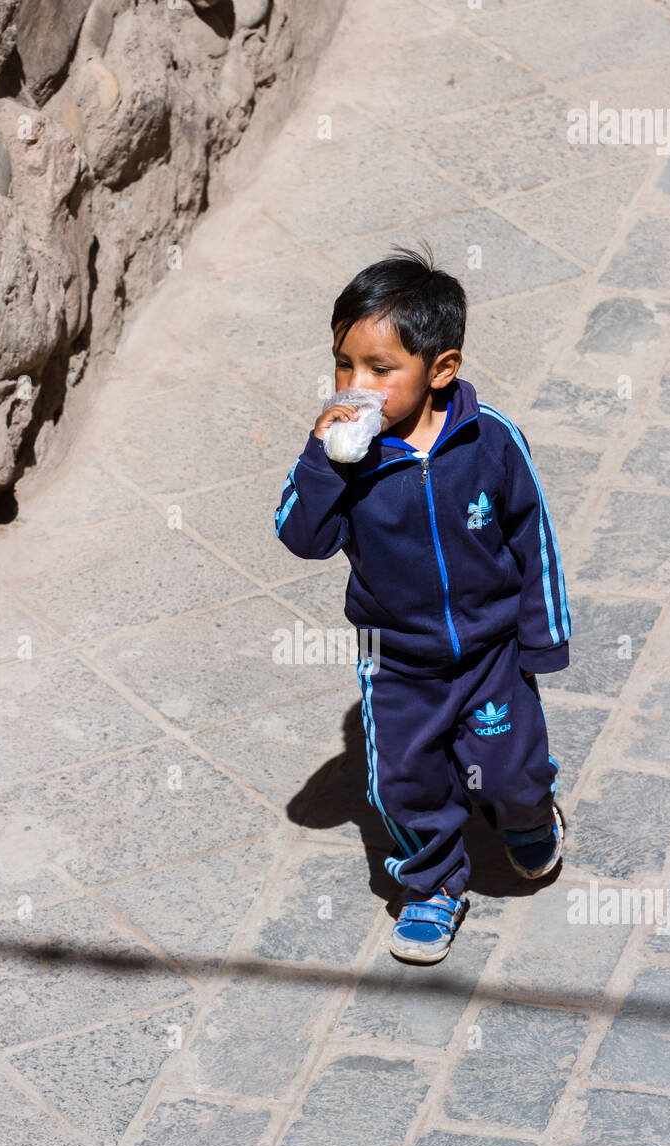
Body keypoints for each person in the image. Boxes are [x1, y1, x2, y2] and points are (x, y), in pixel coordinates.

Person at [274, 243, 571, 965]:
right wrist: (321, 460)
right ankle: (431, 884)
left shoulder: (490, 441)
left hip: (491, 651)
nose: (356, 385)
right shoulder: (348, 456)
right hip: (397, 661)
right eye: (344, 364)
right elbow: (301, 537)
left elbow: (532, 536)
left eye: (380, 369)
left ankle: (529, 814)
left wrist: (543, 636)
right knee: (404, 778)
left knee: (510, 767)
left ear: (441, 370)